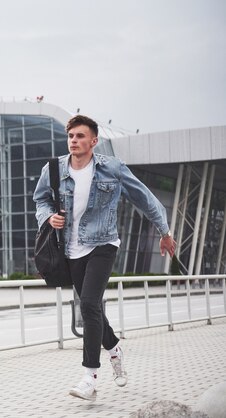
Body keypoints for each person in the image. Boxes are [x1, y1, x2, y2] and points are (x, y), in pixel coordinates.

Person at [33, 115, 176, 401]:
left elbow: (144, 198)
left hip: (103, 244)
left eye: (80, 136)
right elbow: (41, 199)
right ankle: (114, 349)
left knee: (87, 305)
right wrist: (48, 217)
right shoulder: (53, 168)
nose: (74, 141)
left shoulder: (112, 168)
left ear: (93, 141)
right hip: (70, 249)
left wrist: (164, 231)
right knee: (93, 309)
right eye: (71, 136)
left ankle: (89, 378)